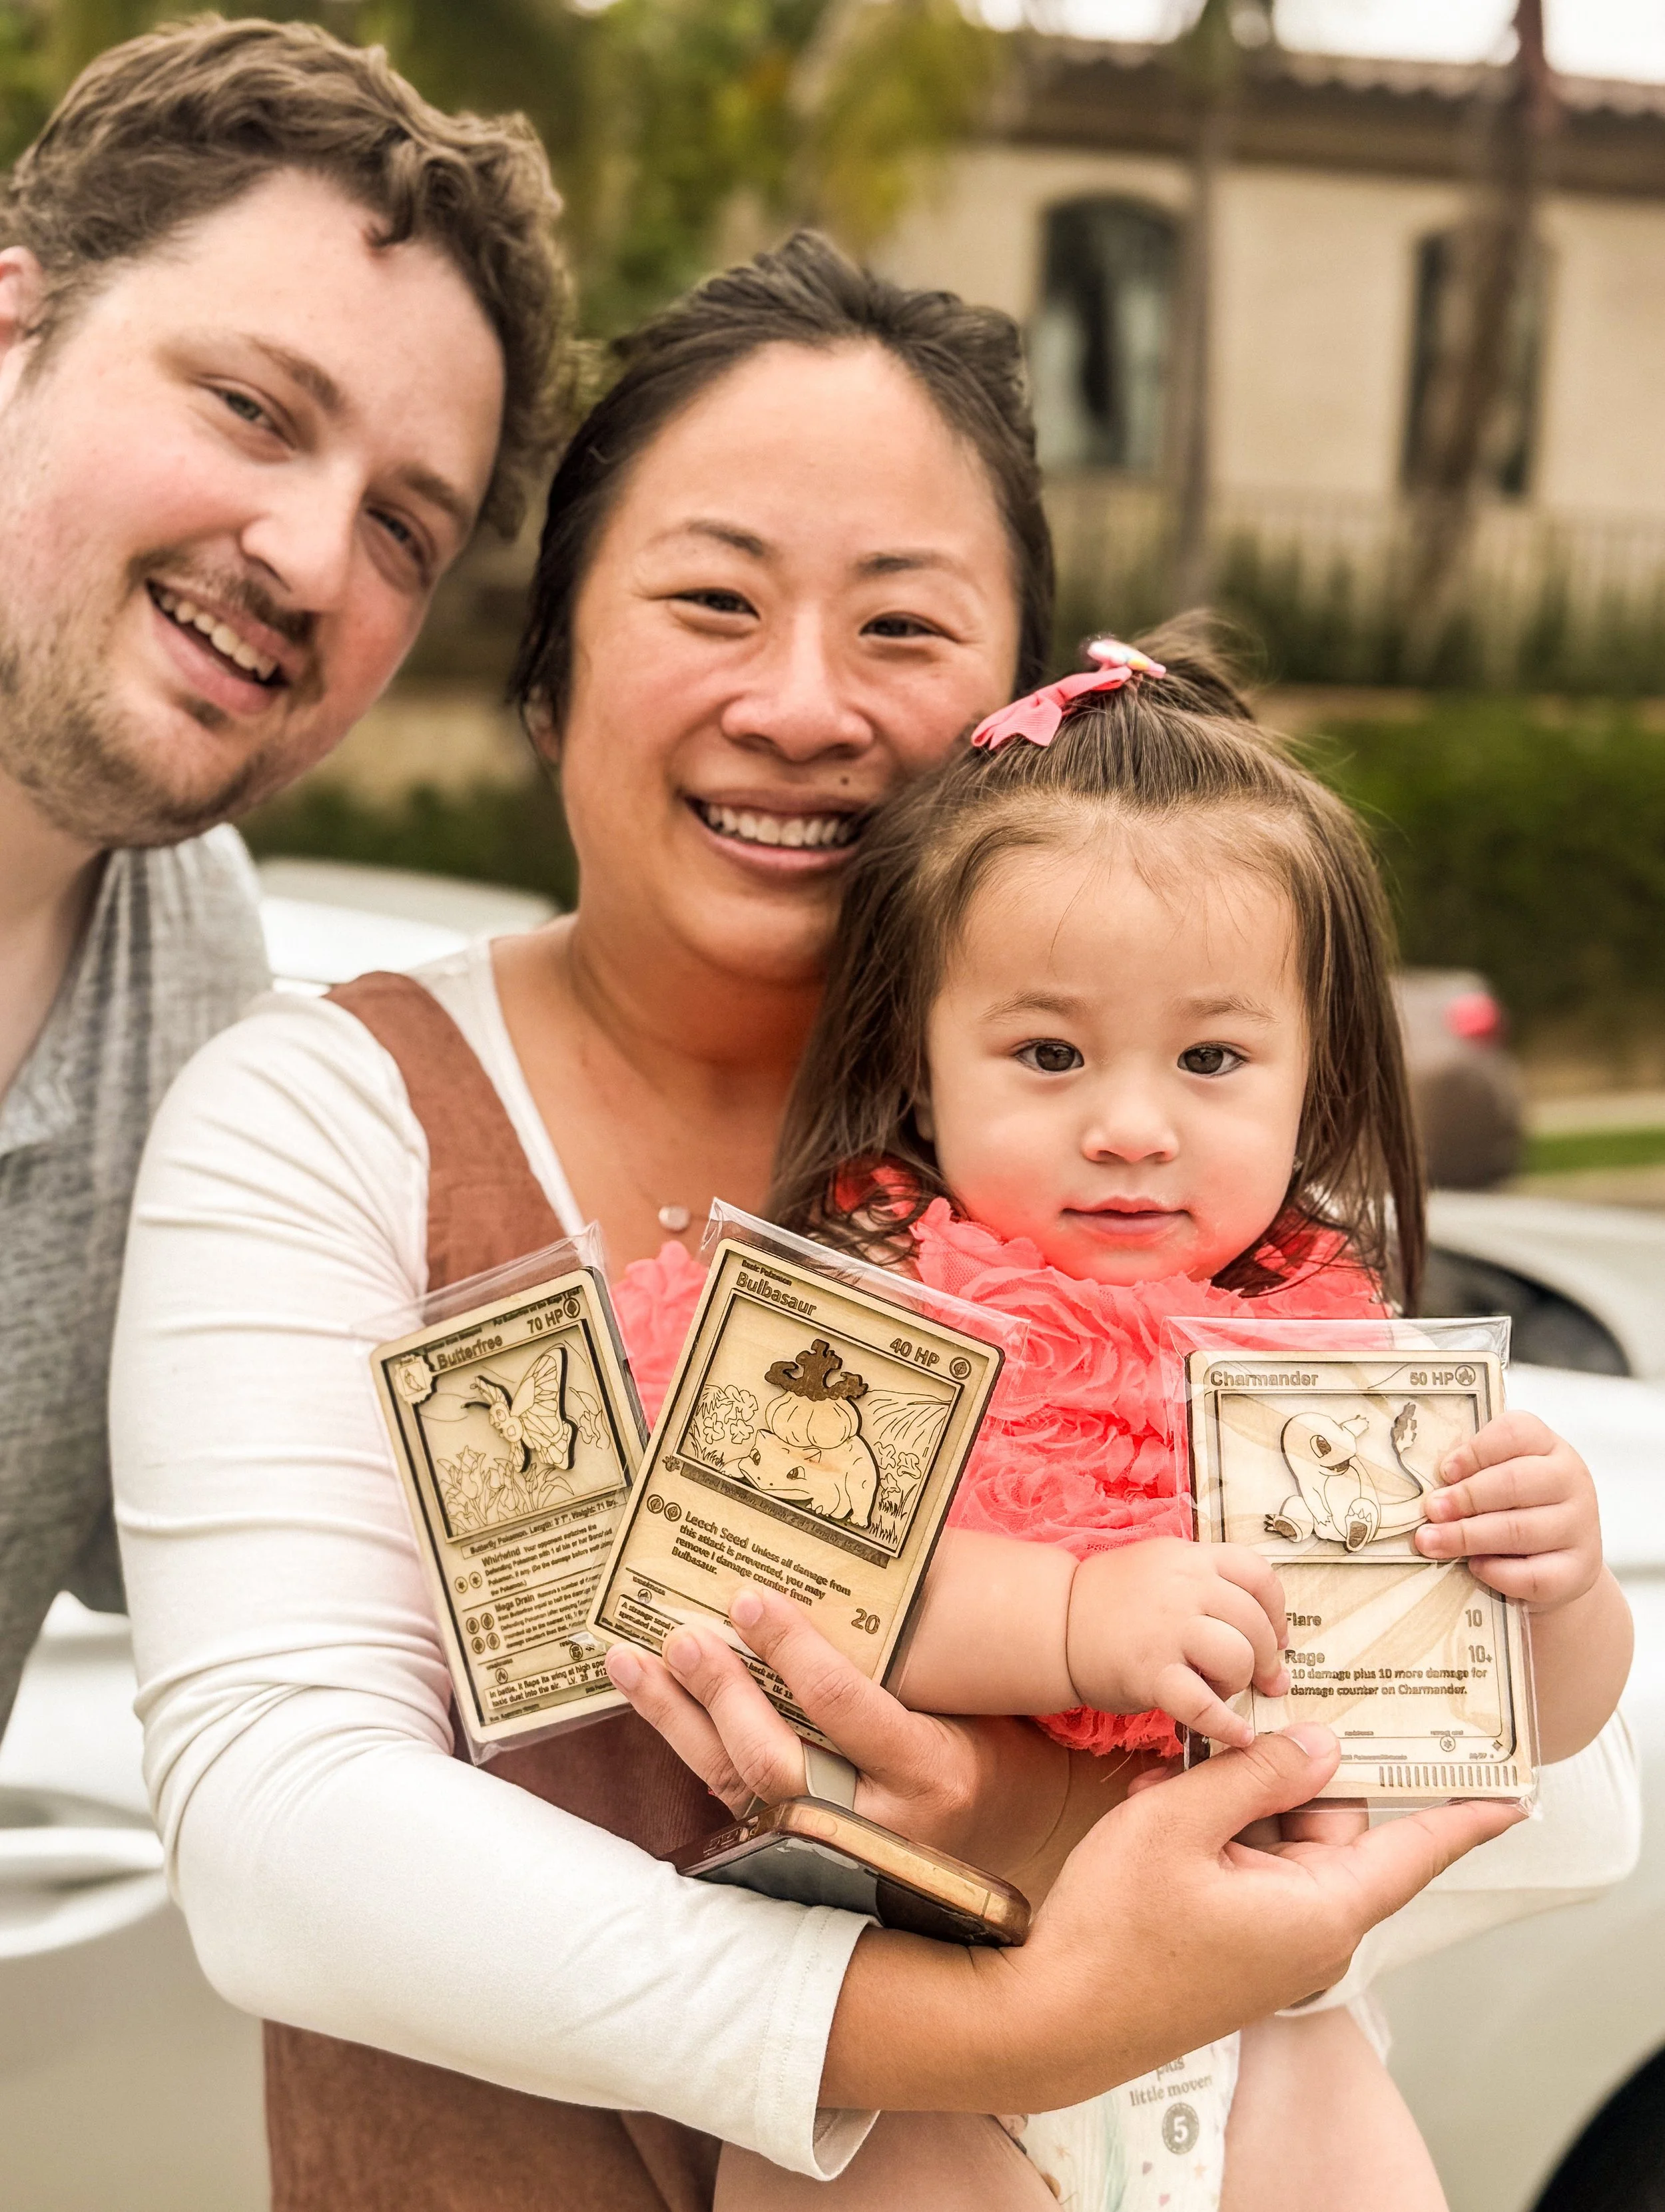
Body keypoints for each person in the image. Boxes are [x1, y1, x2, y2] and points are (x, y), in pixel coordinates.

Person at [111, 234, 1523, 2211]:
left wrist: (1038, 1801)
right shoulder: (328, 1117)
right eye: (709, 600)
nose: (799, 704)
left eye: (900, 626)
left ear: (1025, 698)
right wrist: (1010, 2018)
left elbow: (1538, 1777)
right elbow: (283, 1836)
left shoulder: (1182, 1167)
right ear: (551, 667)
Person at [609, 625, 1628, 2209]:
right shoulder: (864, 1318)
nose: (1133, 1122)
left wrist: (1556, 1593)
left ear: (1313, 1076)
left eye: (1212, 1055)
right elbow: (796, 1597)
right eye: (1047, 1051)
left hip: (1263, 2030)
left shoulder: (1333, 1364)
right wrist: (1075, 1617)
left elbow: (1526, 1724)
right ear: (921, 1068)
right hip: (925, 2025)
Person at [0, 15, 564, 1733]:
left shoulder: (190, 962)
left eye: (403, 527)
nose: (313, 558)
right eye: (251, 408)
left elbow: (321, 1554)